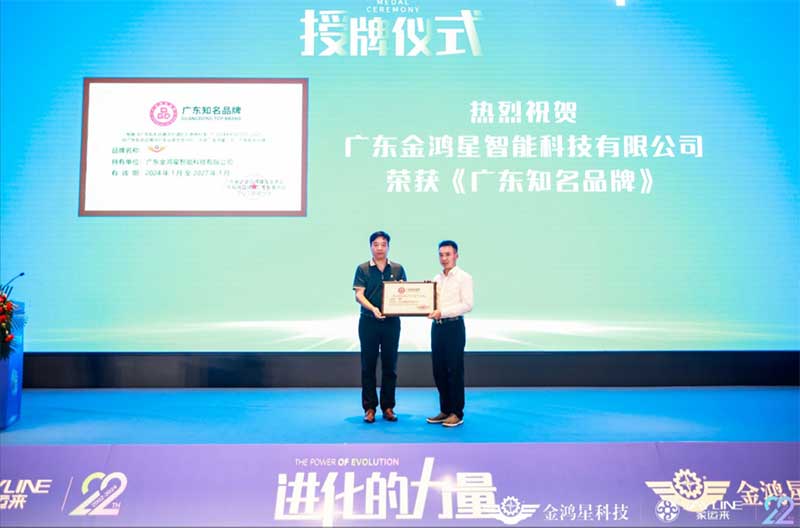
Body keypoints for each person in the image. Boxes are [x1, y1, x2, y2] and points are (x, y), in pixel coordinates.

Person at [353, 231, 407, 423]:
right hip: (368, 321)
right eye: (376, 244)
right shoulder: (363, 269)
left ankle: (388, 407)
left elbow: (405, 293)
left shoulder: (398, 269)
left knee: (390, 366)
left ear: (388, 247)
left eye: (383, 244)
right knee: (368, 366)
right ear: (371, 247)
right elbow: (359, 295)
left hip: (392, 323)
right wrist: (374, 309)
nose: (379, 248)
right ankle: (369, 408)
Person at [426, 240, 473, 428]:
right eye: (441, 255)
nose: (444, 258)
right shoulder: (436, 279)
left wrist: (442, 312)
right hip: (437, 327)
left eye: (448, 254)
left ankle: (456, 413)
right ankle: (445, 410)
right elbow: (430, 302)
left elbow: (467, 305)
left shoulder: (464, 277)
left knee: (454, 370)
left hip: (454, 327)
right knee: (438, 370)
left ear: (456, 256)